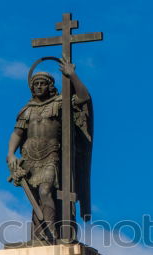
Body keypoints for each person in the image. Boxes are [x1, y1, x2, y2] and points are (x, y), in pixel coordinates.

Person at [6, 60, 92, 243]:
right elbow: (17, 133)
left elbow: (83, 98)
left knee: (46, 190)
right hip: (29, 157)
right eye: (35, 84)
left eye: (42, 83)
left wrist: (72, 75)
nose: (38, 87)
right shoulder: (27, 110)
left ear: (50, 86)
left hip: (51, 155)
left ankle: (51, 231)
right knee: (36, 196)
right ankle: (39, 235)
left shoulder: (60, 103)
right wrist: (11, 153)